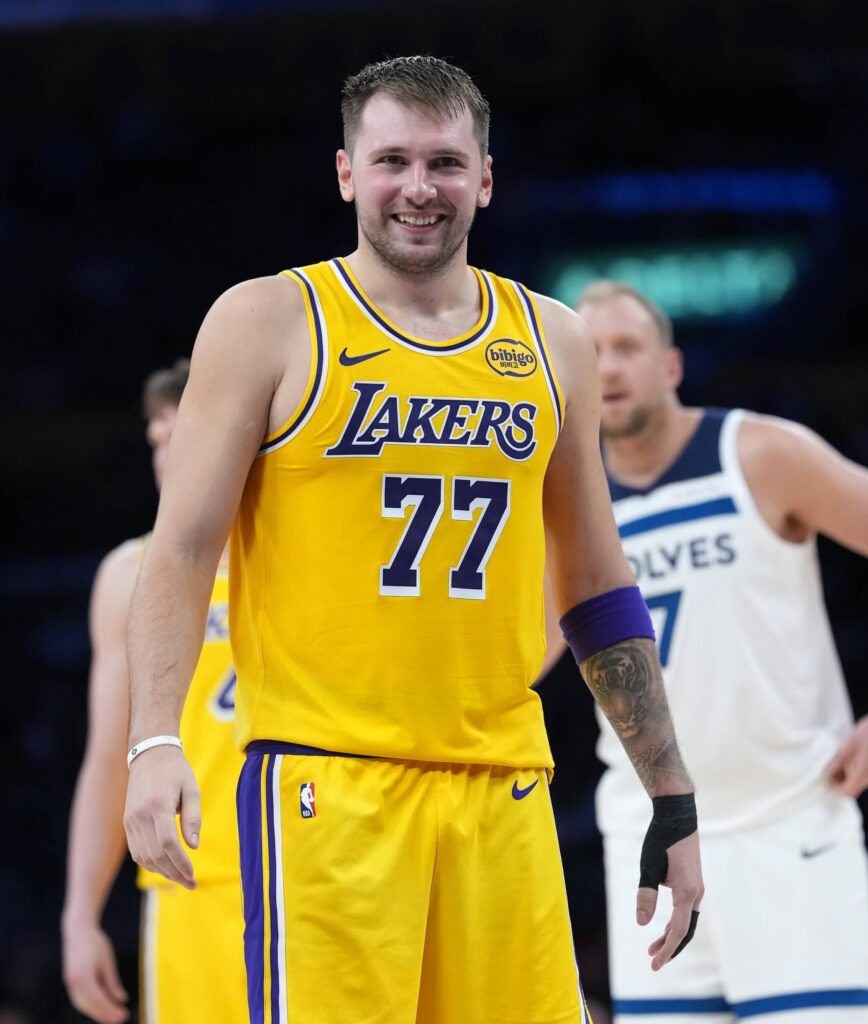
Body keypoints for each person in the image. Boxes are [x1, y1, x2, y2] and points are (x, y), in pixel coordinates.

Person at [121, 56, 704, 1024]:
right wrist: (154, 741)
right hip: (326, 785)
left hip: (504, 788)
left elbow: (598, 585)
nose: (419, 187)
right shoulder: (267, 319)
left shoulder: (553, 339)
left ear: (486, 178)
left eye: (445, 162)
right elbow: (178, 550)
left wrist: (670, 792)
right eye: (392, 160)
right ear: (346, 172)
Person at [571, 280, 868, 1024]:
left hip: (787, 825)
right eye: (591, 354)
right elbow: (526, 651)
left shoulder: (757, 453)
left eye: (627, 347)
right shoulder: (571, 503)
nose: (609, 367)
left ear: (671, 366)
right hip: (648, 837)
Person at [61, 361, 246, 1024]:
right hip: (193, 884)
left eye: (180, 430)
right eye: (156, 439)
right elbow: (109, 758)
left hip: (320, 868)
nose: (166, 452)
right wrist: (80, 914)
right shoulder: (128, 574)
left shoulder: (308, 555)